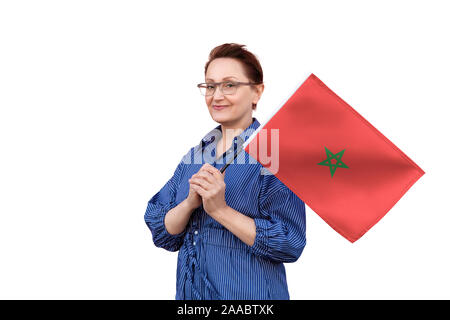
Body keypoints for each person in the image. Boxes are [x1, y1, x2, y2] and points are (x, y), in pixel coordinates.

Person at [144, 43, 306, 300]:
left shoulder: (275, 156)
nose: (216, 96)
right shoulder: (194, 157)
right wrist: (188, 205)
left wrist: (220, 210)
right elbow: (162, 231)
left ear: (257, 92)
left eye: (229, 85)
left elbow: (290, 243)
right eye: (210, 86)